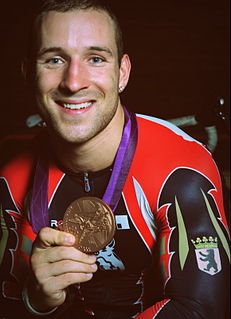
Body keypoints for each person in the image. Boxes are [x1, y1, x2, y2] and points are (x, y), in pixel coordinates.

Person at [0, 0, 229, 318]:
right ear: (28, 73)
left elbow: (202, 310)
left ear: (122, 73)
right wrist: (35, 300)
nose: (74, 81)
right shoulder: (10, 177)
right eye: (54, 60)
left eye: (95, 58)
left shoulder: (181, 168)